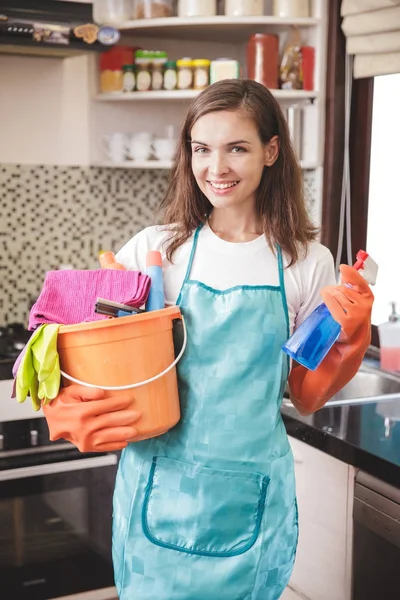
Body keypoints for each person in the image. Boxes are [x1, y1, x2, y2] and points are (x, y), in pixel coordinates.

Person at [42, 79, 373, 600]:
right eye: (202, 149)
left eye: (236, 148)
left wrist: (349, 344)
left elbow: (305, 393)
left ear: (271, 151)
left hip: (254, 498)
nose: (215, 168)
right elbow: (69, 341)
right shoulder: (155, 251)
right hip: (156, 490)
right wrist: (58, 397)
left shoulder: (309, 261)